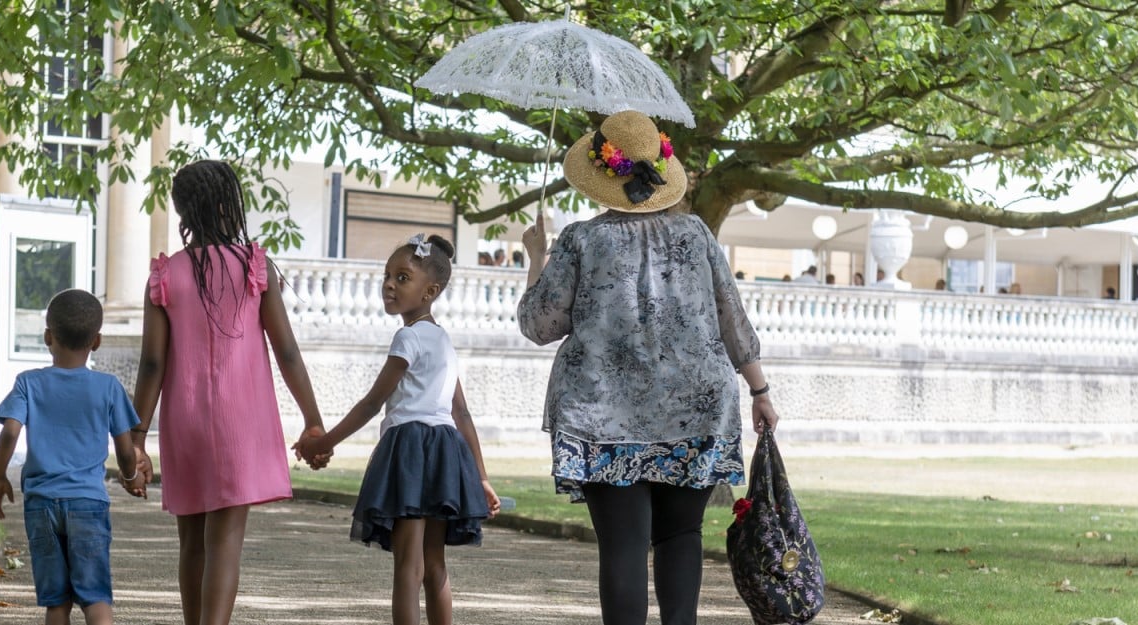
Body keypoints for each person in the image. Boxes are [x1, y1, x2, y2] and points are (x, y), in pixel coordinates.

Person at [517, 110, 779, 625]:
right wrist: (760, 390)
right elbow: (732, 316)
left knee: (623, 547)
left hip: (603, 418)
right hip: (696, 409)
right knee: (682, 536)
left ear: (599, 176)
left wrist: (535, 258)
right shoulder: (697, 234)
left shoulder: (580, 240)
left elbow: (539, 325)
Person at [131, 160, 329, 625]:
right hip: (242, 422)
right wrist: (312, 419)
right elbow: (287, 352)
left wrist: (136, 439)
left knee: (191, 543)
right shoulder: (253, 268)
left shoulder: (165, 275)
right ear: (228, 205)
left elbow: (152, 364)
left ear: (182, 211)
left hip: (185, 420)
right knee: (224, 542)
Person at [297, 233, 498, 625]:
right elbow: (462, 414)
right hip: (445, 453)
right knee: (434, 564)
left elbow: (373, 403)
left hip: (410, 451)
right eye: (388, 275)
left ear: (430, 291)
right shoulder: (443, 340)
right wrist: (481, 476)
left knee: (409, 565)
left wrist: (323, 442)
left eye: (403, 277)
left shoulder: (407, 337)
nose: (389, 284)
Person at [0, 289, 145, 625]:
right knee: (95, 598)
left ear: (48, 336)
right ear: (97, 341)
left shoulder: (29, 383)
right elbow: (125, 450)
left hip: (41, 504)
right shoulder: (109, 387)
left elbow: (11, 432)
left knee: (56, 602)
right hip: (88, 503)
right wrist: (131, 478)